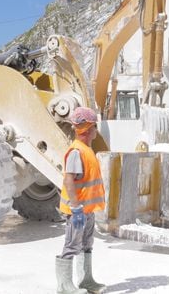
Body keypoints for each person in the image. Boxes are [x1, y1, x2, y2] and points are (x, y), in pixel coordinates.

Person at [55, 106, 106, 294]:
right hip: (78, 210)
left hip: (87, 209)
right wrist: (75, 208)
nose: (96, 131)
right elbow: (69, 180)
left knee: (87, 244)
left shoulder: (86, 149)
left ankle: (86, 280)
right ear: (87, 130)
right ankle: (64, 286)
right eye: (94, 127)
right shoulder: (77, 151)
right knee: (71, 245)